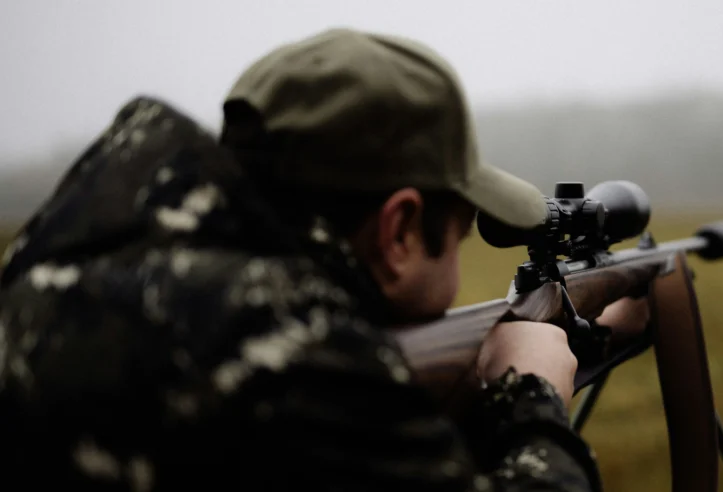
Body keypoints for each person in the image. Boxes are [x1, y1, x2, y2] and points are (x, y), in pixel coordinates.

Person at [0, 28, 648, 491]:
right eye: (460, 233)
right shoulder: (290, 345)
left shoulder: (58, 271)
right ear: (398, 231)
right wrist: (534, 395)